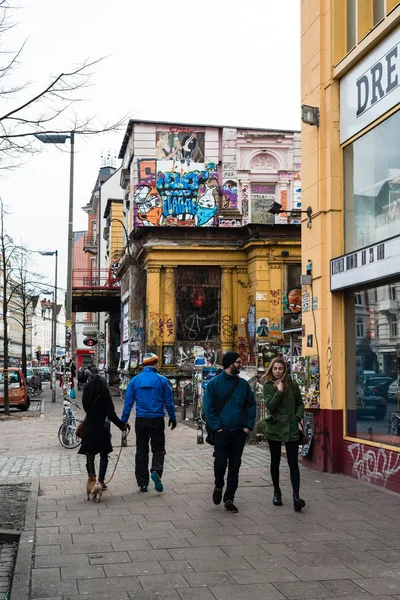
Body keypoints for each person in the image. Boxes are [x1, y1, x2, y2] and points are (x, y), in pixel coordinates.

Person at [204, 351, 256, 513]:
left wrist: (247, 427)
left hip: (238, 432)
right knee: (220, 463)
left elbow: (251, 406)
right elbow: (209, 408)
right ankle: (218, 485)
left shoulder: (243, 385)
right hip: (221, 432)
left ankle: (229, 498)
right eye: (238, 362)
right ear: (229, 364)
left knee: (235, 466)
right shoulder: (214, 384)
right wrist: (217, 427)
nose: (241, 365)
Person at [120, 353, 176, 493]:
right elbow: (169, 401)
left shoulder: (135, 381)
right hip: (157, 419)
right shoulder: (162, 380)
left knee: (141, 450)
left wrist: (123, 421)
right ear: (155, 364)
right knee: (158, 449)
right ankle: (156, 471)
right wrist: (173, 417)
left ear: (144, 365)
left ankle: (142, 483)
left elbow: (128, 403)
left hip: (141, 420)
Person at [262, 357, 305, 511]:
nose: (278, 371)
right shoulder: (267, 386)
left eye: (280, 369)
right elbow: (271, 406)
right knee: (275, 462)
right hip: (274, 428)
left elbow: (300, 403)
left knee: (293, 463)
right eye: (275, 369)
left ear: (285, 370)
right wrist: (279, 391)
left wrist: (297, 417)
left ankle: (296, 496)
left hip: (291, 428)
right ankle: (277, 492)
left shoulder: (292, 385)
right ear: (271, 370)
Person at [78, 374, 130, 490]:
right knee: (104, 454)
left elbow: (86, 409)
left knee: (90, 455)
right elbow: (111, 414)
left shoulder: (86, 393)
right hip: (102, 428)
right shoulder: (105, 395)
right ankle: (101, 481)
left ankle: (92, 479)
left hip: (89, 428)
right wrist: (122, 426)